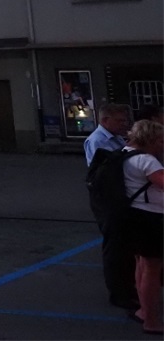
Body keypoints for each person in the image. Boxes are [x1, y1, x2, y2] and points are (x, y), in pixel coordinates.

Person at [85, 102, 137, 311]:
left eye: (125, 120)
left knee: (126, 245)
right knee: (115, 247)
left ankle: (129, 287)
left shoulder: (117, 138)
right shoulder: (98, 141)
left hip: (120, 195)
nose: (124, 124)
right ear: (105, 120)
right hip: (107, 198)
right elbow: (107, 170)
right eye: (119, 120)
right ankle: (119, 293)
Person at [121, 120, 163, 333]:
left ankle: (144, 311)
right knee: (152, 269)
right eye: (160, 141)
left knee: (142, 264)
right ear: (150, 139)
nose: (162, 145)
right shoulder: (147, 161)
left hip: (134, 215)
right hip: (151, 218)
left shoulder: (125, 153)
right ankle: (151, 321)